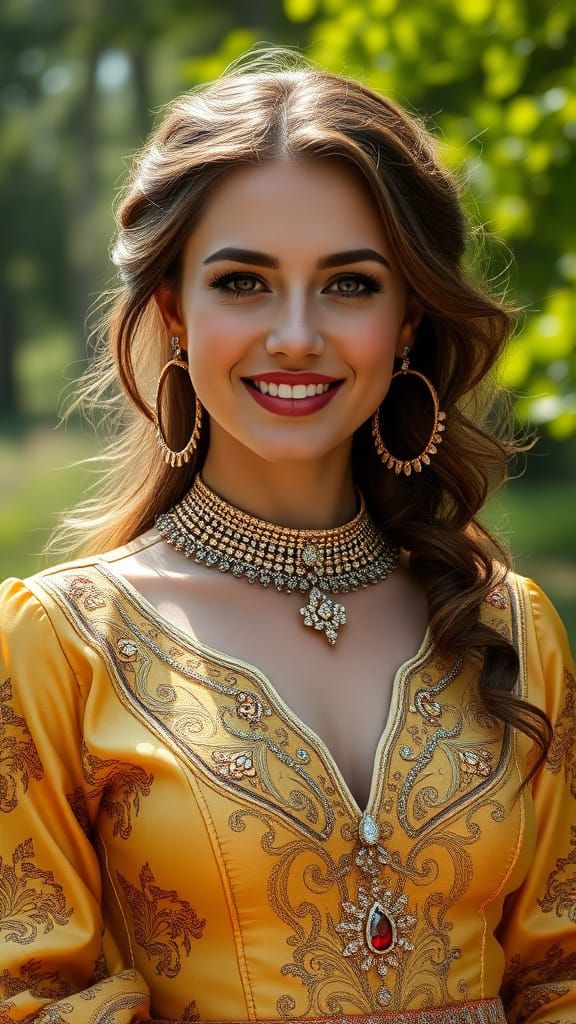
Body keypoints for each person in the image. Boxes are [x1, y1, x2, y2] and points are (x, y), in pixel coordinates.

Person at [0, 48, 574, 1024]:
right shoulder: (60, 650)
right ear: (176, 311)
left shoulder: (509, 630)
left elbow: (557, 978)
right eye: (245, 283)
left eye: (350, 285)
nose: (297, 335)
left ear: (405, 320)